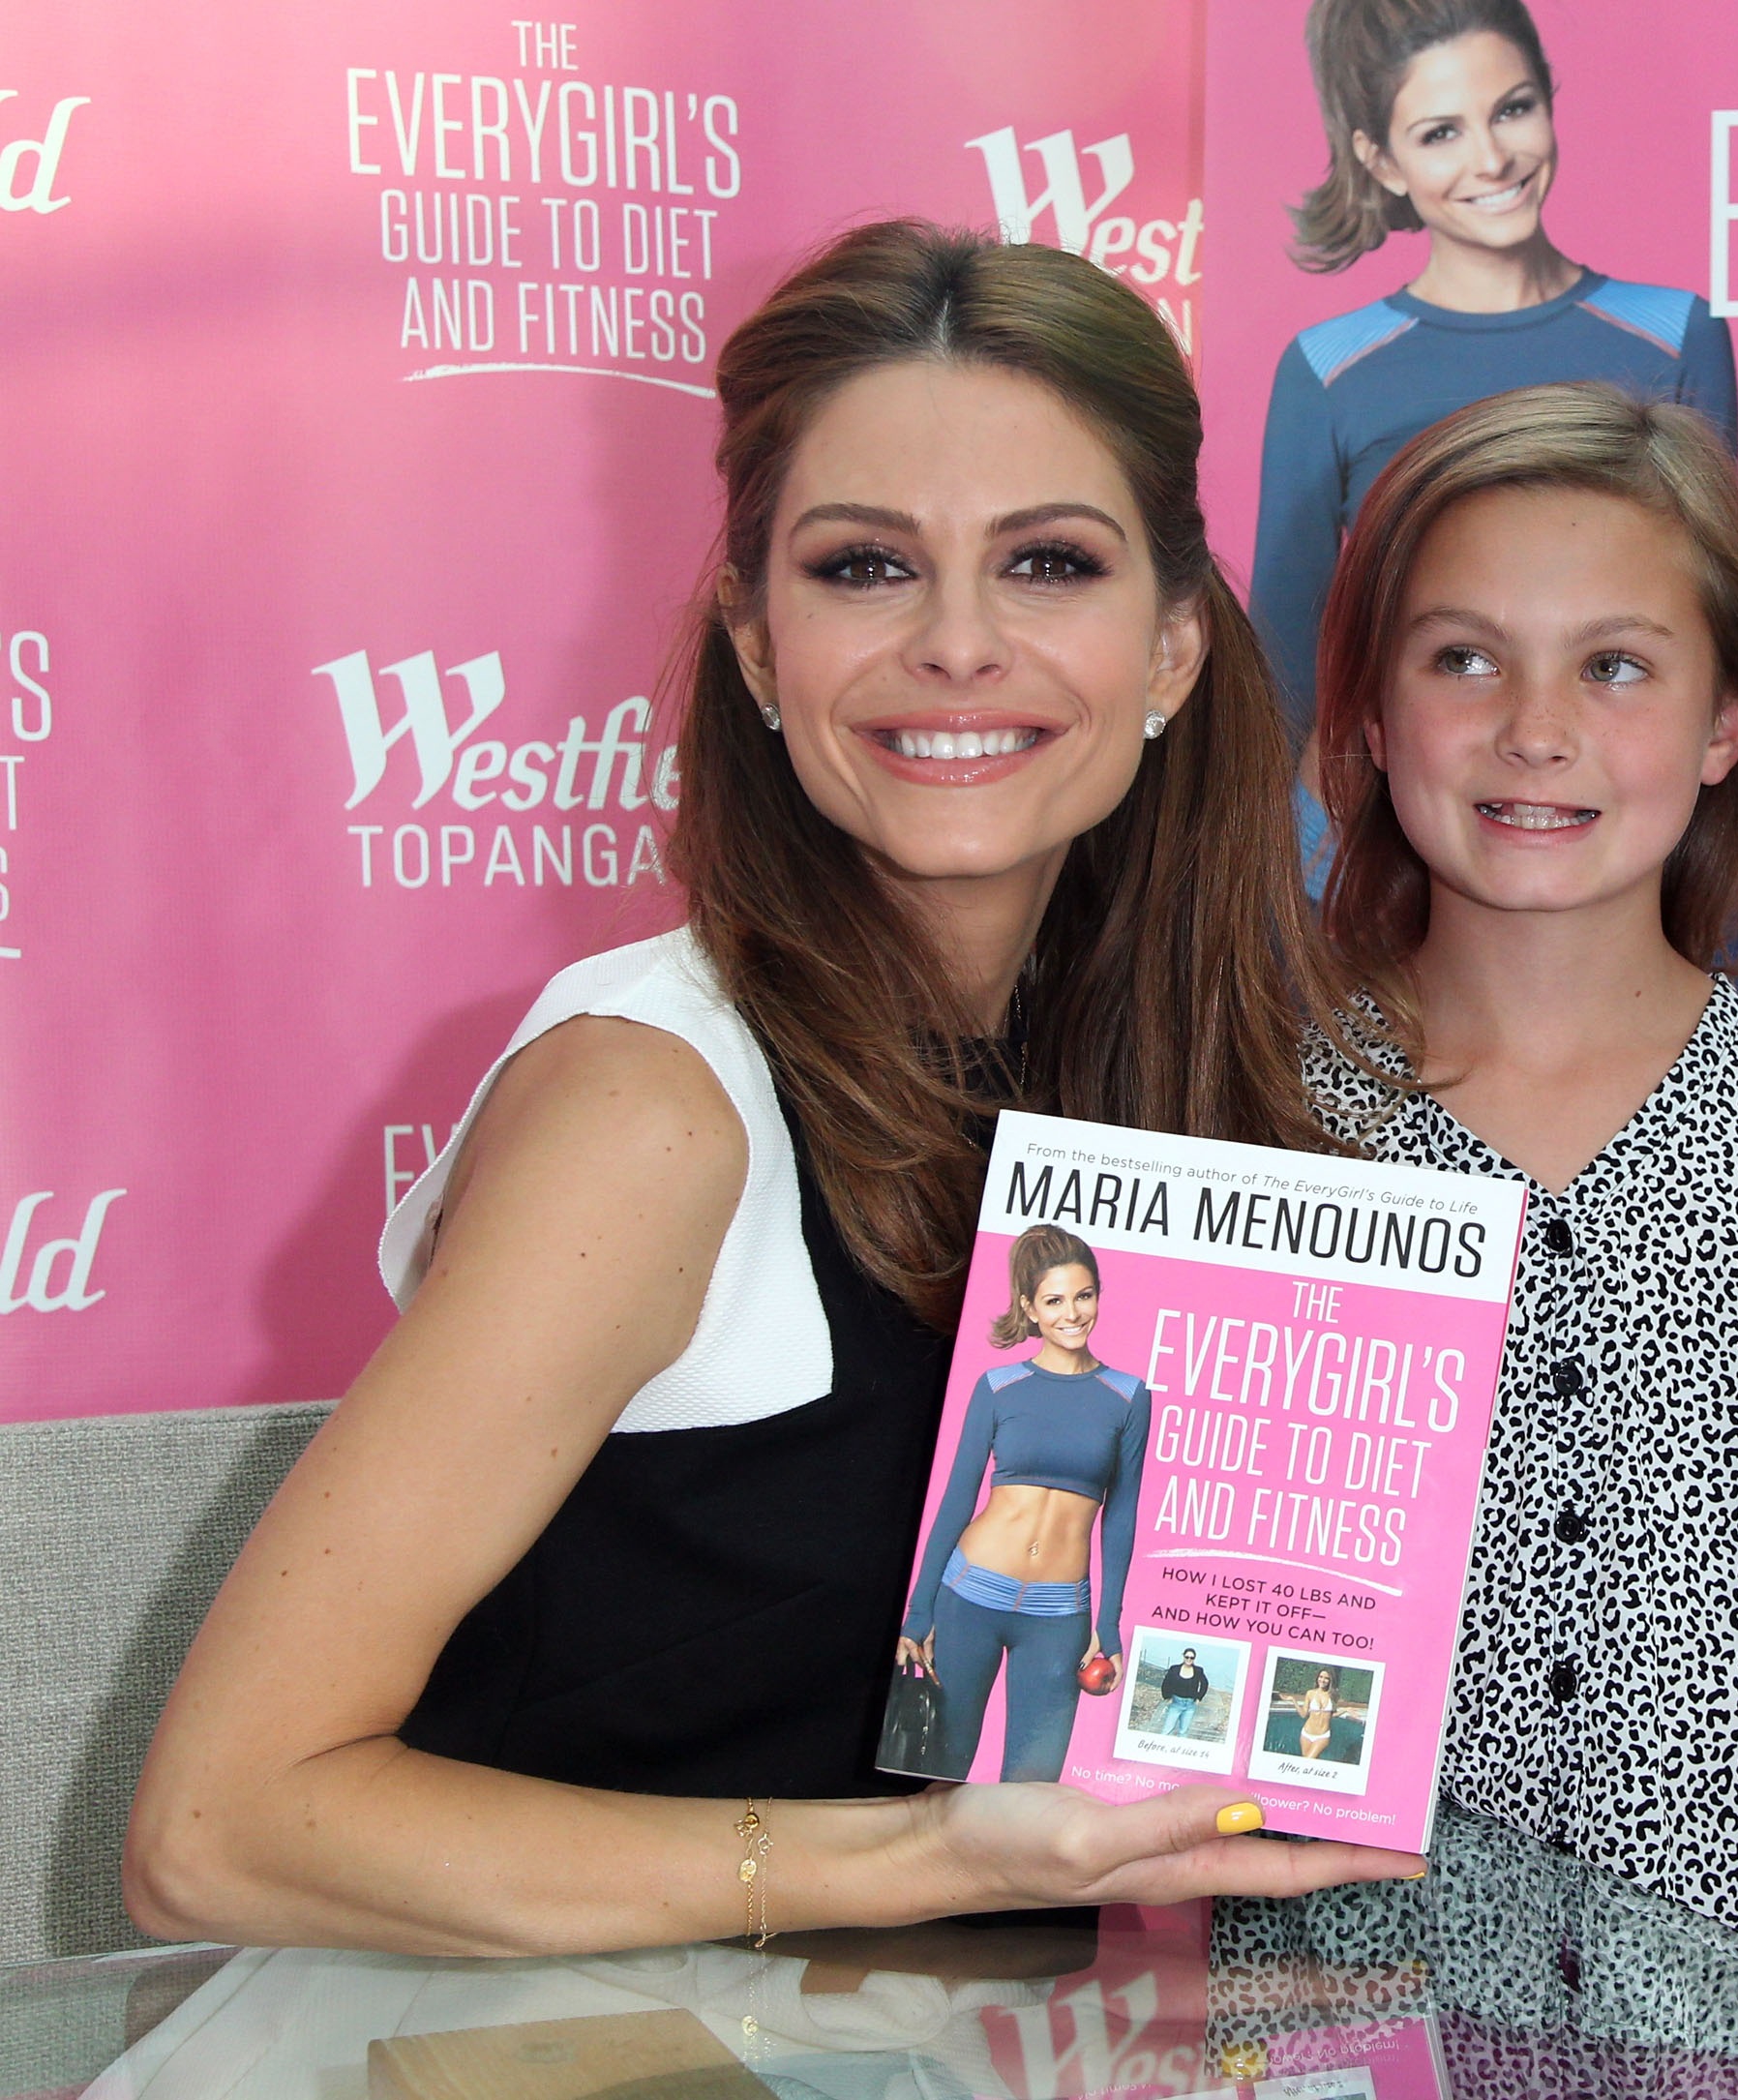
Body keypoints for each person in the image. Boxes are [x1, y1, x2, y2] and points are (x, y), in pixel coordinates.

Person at [125, 223, 1421, 1955]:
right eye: (866, 567)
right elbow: (220, 1831)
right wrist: (930, 1865)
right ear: (755, 645)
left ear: (1177, 651)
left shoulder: (1138, 1073)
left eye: (1047, 563)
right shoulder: (650, 1106)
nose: (960, 644)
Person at [1301, 381, 1738, 2038]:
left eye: (1612, 665)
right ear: (1369, 717)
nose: (1533, 728)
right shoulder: (1260, 1118)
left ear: (1723, 726)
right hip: (1373, 2010)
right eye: (1463, 656)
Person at [1253, 0, 1738, 788]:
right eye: (1441, 133)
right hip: (1405, 808)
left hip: (1613, 795)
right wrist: (1286, 876)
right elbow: (1280, 664)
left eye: (1511, 110)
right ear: (1380, 161)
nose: (1491, 160)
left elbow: (1707, 617)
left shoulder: (1676, 332)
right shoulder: (1330, 367)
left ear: (1548, 99)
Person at [896, 1226, 1147, 1781]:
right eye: (1054, 1300)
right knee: (939, 1774)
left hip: (1059, 1617)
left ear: (1099, 1296)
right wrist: (918, 1615)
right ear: (1030, 1310)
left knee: (1030, 1794)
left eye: (1084, 1295)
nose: (1072, 1313)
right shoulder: (998, 1386)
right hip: (970, 1598)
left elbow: (1120, 1516)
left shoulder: (1129, 1396)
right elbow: (957, 1500)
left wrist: (1109, 1624)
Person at [1157, 1650, 1213, 1738]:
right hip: (1176, 1703)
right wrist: (1167, 1697)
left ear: (1194, 1658)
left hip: (1190, 1706)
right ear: (1183, 1656)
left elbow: (1204, 1684)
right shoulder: (1174, 1669)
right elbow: (1166, 1683)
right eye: (1187, 1657)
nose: (1189, 1659)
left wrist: (1199, 1698)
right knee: (1167, 1731)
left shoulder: (1198, 1670)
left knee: (1183, 1732)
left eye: (1191, 1657)